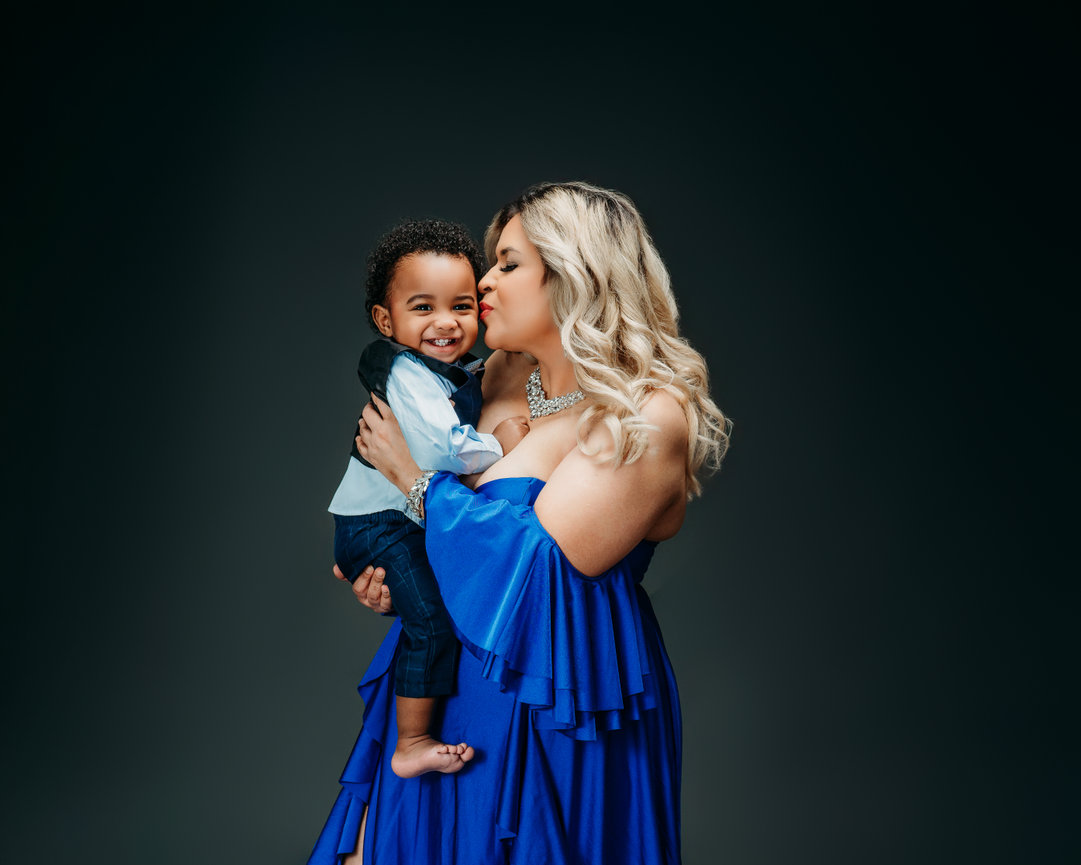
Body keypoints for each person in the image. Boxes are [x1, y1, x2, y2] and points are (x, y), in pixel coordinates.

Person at [309, 182, 731, 865]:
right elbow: (438, 535)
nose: (483, 281)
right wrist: (384, 566)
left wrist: (414, 484)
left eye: (508, 263)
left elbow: (538, 569)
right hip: (444, 692)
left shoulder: (645, 415)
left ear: (572, 276)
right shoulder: (493, 374)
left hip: (559, 702)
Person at [328, 218, 530, 779]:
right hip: (381, 524)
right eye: (423, 308)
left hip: (399, 524)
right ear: (385, 320)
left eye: (461, 306)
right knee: (432, 623)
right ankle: (412, 740)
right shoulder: (408, 372)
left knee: (429, 614)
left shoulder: (454, 372)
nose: (446, 321)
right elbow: (443, 448)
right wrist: (500, 445)